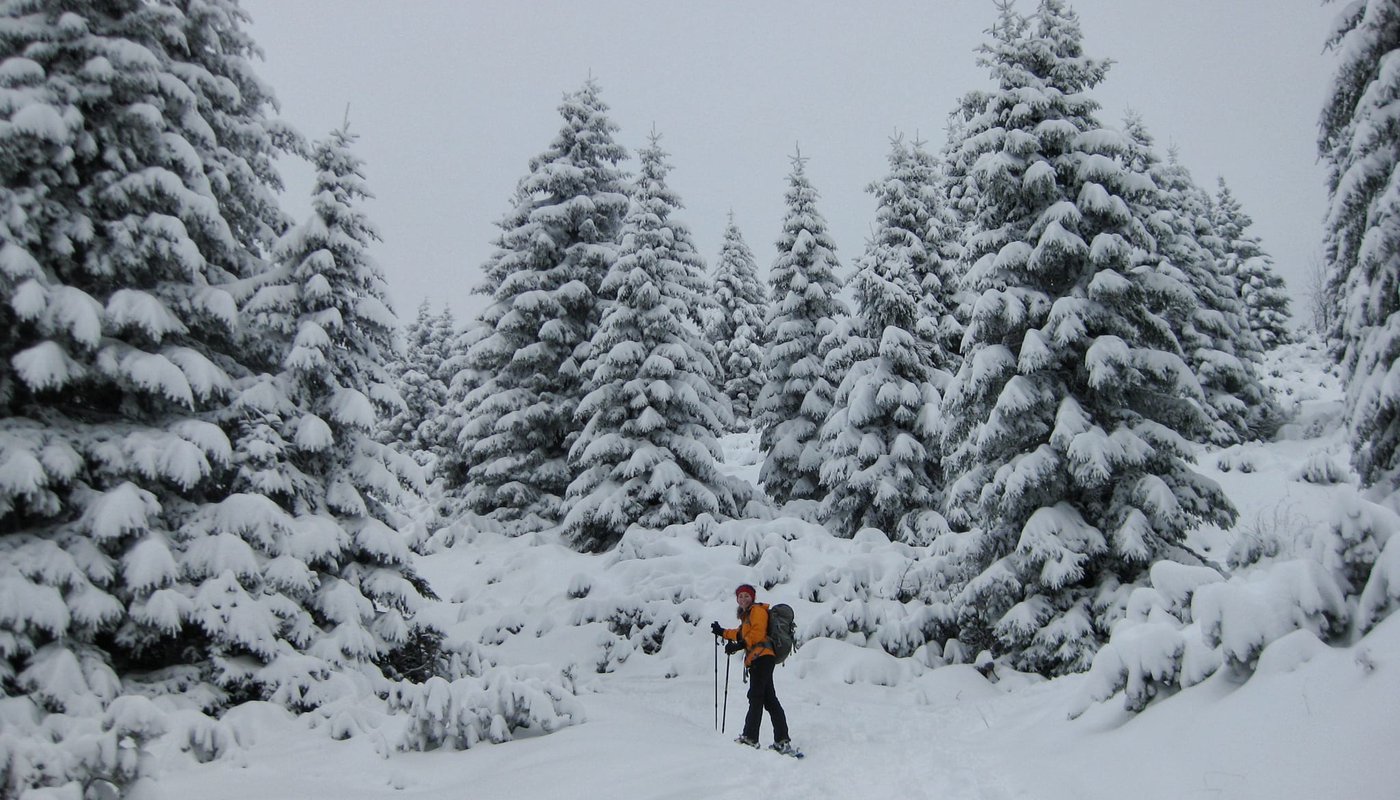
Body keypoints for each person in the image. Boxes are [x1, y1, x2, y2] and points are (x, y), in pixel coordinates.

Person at [711, 583, 795, 753]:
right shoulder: (747, 615)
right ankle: (781, 740)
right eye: (740, 596)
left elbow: (756, 633)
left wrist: (739, 645)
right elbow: (741, 633)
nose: (743, 599)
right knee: (769, 699)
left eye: (746, 596)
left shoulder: (757, 611)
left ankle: (750, 737)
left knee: (756, 696)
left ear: (752, 597)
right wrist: (722, 632)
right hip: (760, 658)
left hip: (762, 658)